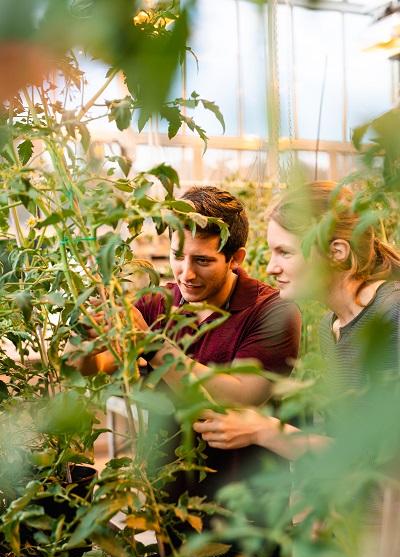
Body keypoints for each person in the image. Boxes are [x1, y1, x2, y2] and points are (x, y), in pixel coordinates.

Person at [79, 185, 301, 499]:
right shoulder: (158, 301)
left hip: (247, 502)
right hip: (167, 489)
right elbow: (96, 365)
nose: (186, 274)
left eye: (202, 261)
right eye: (177, 256)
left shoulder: (274, 311)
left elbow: (240, 397)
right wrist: (88, 336)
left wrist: (151, 344)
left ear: (235, 258)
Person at [193, 180, 400, 458]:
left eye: (285, 252)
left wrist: (263, 430)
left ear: (337, 252)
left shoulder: (391, 316)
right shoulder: (332, 327)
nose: (271, 267)